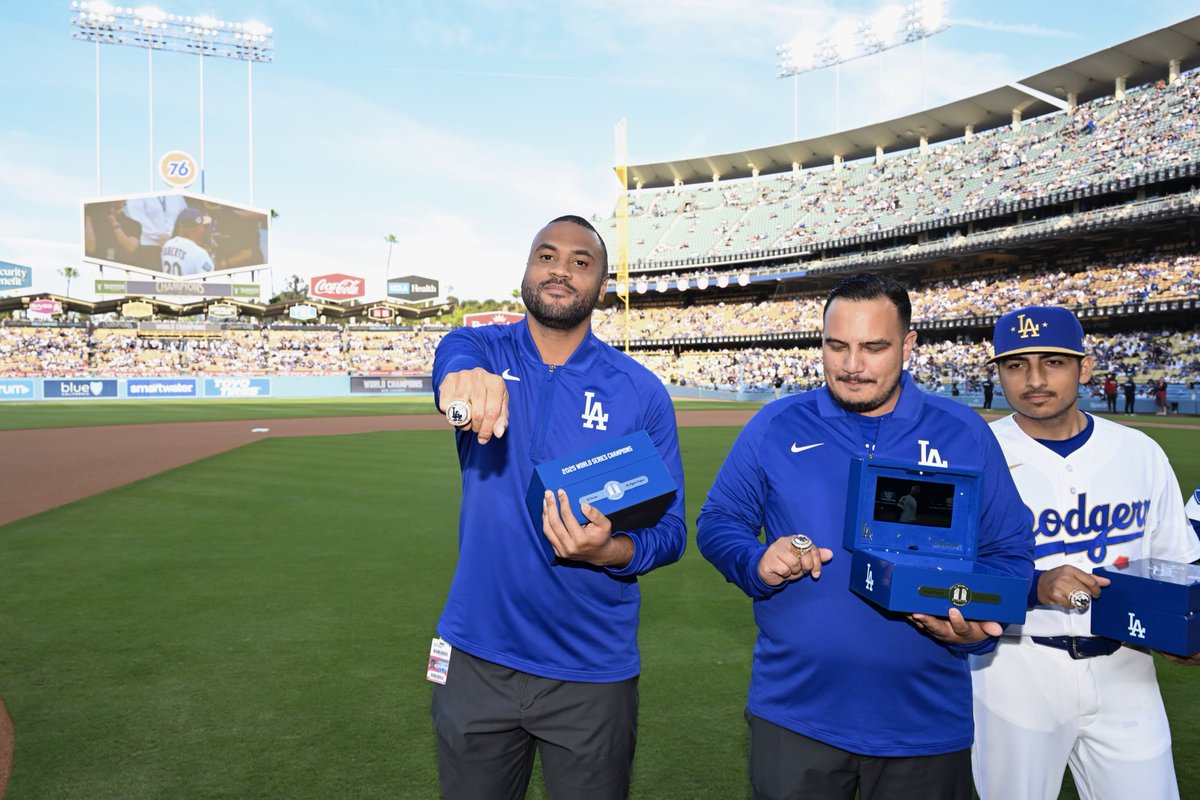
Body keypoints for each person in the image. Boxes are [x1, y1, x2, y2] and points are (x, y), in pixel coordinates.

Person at [696, 273, 1033, 800]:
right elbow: (719, 520)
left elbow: (1008, 552)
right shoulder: (776, 424)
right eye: (837, 346)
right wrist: (756, 561)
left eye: (874, 347)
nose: (852, 365)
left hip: (925, 721)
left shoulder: (963, 432)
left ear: (908, 344)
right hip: (794, 713)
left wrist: (977, 631)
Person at [429, 215, 687, 799]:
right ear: (526, 269)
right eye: (546, 256)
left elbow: (671, 531)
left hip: (591, 671)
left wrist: (610, 550)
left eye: (580, 261)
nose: (560, 270)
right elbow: (454, 348)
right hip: (476, 655)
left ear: (601, 286)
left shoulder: (641, 392)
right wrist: (462, 377)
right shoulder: (482, 352)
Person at [969, 305, 1200, 800]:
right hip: (1014, 670)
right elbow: (946, 576)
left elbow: (1176, 564)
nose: (1034, 379)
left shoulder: (1139, 451)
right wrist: (1034, 585)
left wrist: (1186, 630)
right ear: (999, 374)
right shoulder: (974, 453)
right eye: (1015, 365)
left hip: (1127, 669)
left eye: (1053, 362)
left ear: (1085, 367)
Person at [160, 208, 215, 276]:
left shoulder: (167, 245)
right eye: (201, 227)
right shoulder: (199, 253)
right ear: (195, 231)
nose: (203, 230)